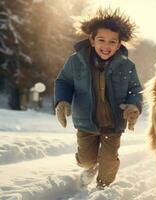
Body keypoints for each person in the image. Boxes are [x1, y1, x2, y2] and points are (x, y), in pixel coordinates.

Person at [54, 8, 142, 189]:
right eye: (101, 40)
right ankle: (90, 167)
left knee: (108, 161)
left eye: (112, 42)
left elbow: (135, 89)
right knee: (86, 159)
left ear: (118, 45)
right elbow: (64, 81)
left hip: (113, 123)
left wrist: (134, 107)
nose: (106, 46)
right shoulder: (76, 61)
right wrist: (62, 101)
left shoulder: (127, 66)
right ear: (92, 40)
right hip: (86, 122)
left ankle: (103, 187)